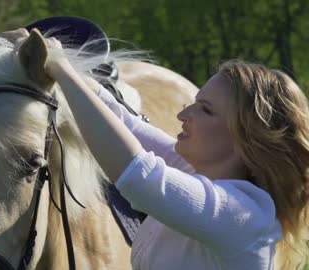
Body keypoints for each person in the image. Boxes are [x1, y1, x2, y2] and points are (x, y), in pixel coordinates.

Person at [37, 37, 309, 269]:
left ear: (246, 140)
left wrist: (62, 68)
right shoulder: (195, 172)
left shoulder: (244, 213)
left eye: (205, 109)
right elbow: (125, 122)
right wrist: (49, 58)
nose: (182, 114)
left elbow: (138, 175)